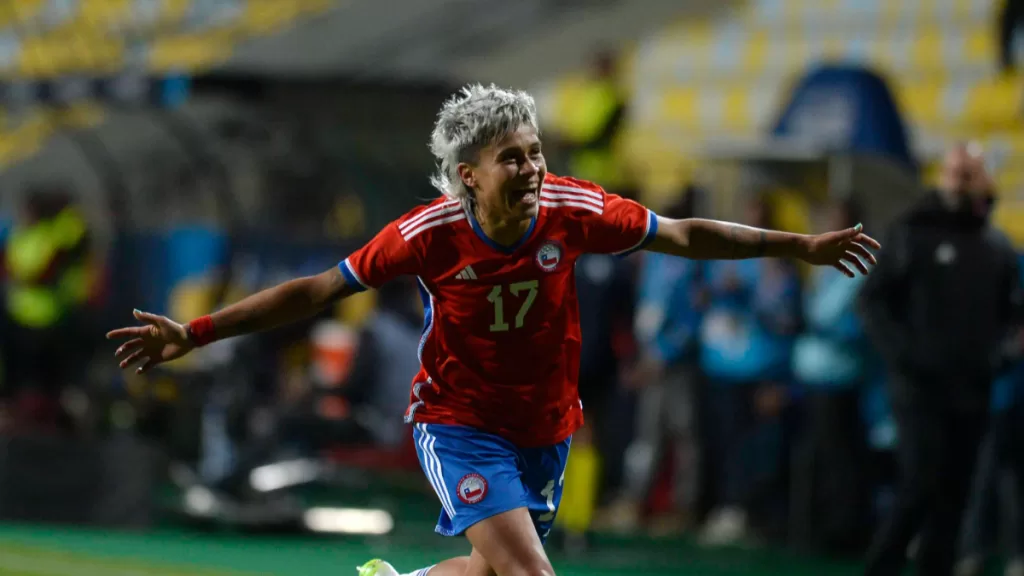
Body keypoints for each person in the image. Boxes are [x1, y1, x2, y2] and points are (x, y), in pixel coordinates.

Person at [107, 84, 878, 576]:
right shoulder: (428, 234)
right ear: (469, 174)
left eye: (536, 150)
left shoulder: (573, 211)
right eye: (514, 156)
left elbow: (682, 234)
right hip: (460, 424)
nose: (534, 165)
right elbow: (316, 288)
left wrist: (799, 247)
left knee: (487, 569)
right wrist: (197, 333)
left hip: (542, 425)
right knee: (530, 574)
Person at [860, 143, 1024, 576]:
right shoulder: (913, 231)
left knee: (956, 494)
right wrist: (904, 357)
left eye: (969, 173)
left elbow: (1012, 315)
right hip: (920, 388)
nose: (960, 181)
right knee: (919, 485)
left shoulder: (996, 246)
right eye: (954, 172)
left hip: (971, 388)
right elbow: (874, 301)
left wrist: (1001, 358)